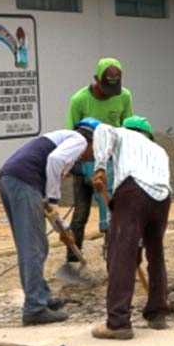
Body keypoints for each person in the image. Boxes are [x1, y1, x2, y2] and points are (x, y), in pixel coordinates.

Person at [0, 118, 99, 325]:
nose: (91, 156)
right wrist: (54, 199)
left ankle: (40, 296)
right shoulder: (78, 140)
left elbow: (47, 204)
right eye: (95, 149)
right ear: (91, 140)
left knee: (32, 245)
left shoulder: (60, 140)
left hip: (11, 179)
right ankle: (35, 308)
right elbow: (55, 161)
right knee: (33, 247)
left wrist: (63, 228)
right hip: (23, 181)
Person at [89, 115, 172, 340]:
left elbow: (102, 129)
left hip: (133, 192)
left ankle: (118, 322)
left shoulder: (122, 134)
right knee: (156, 254)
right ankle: (157, 313)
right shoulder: (160, 150)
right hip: (162, 199)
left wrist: (100, 167)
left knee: (121, 255)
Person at [61, 57, 133, 281]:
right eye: (106, 86)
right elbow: (71, 134)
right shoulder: (79, 100)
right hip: (85, 162)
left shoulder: (124, 96)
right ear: (96, 79)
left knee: (110, 215)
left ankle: (114, 261)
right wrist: (73, 163)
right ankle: (73, 264)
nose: (111, 93)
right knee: (80, 215)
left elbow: (128, 129)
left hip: (111, 164)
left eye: (114, 86)